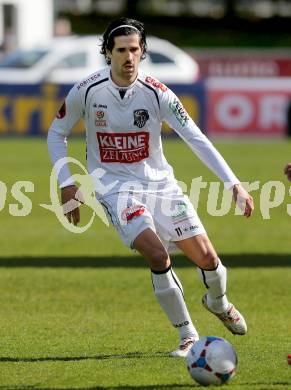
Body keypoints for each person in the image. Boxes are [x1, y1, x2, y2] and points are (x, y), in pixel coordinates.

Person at [47, 17, 254, 358]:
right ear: (108, 53)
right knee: (156, 253)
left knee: (209, 260)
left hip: (162, 186)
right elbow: (57, 133)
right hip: (114, 187)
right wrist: (67, 184)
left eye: (134, 50)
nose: (128, 57)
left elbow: (195, 138)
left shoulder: (158, 94)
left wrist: (233, 184)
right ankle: (188, 336)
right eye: (121, 50)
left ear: (142, 53)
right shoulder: (87, 90)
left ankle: (217, 301)